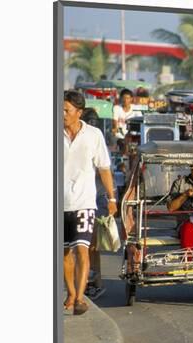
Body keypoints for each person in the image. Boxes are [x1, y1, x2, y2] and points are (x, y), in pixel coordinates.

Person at [64, 90, 117, 315]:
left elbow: (104, 169)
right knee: (65, 254)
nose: (62, 114)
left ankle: (79, 297)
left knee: (82, 251)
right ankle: (71, 293)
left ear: (79, 112)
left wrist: (111, 197)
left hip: (85, 203)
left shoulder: (94, 135)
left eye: (66, 110)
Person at [112, 88, 141, 154]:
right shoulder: (116, 108)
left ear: (131, 99)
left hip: (133, 137)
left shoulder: (136, 109)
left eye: (127, 98)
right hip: (120, 137)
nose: (125, 100)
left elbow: (140, 122)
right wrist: (115, 129)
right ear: (121, 98)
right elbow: (114, 122)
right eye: (124, 98)